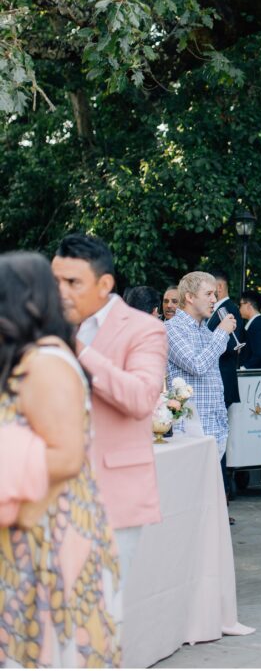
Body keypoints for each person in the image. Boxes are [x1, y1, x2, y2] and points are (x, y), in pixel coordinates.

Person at [0, 251, 120, 668]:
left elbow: (67, 457)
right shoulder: (28, 357)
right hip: (31, 522)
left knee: (51, 648)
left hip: (48, 529)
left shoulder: (47, 363)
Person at [52, 232, 167, 584]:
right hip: (49, 493)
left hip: (112, 493)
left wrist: (78, 350)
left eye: (72, 282)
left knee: (100, 613)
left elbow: (141, 398)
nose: (61, 291)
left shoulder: (144, 329)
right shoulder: (47, 326)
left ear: (104, 283)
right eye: (55, 280)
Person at [165, 271, 237, 458]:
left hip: (215, 431)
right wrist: (221, 333)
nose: (214, 299)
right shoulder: (171, 329)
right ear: (189, 297)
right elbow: (197, 366)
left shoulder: (206, 331)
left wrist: (222, 425)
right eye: (208, 294)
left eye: (214, 294)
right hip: (188, 433)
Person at [207, 271, 245, 509]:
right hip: (218, 380)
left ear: (219, 287)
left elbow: (231, 345)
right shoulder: (219, 310)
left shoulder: (228, 309)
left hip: (222, 379)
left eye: (211, 290)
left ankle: (221, 494)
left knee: (218, 439)